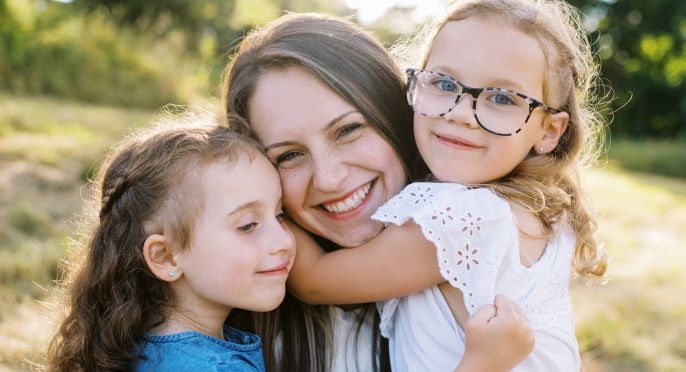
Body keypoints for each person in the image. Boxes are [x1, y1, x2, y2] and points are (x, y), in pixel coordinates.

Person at [280, 0, 609, 371]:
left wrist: (263, 204)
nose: (460, 113)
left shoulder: (465, 219)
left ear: (549, 130)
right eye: (444, 83)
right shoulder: (539, 212)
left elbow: (314, 282)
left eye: (502, 98)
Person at [223, 12, 534, 372]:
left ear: (400, 114)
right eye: (289, 155)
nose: (329, 178)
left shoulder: (488, 264)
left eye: (348, 130)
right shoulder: (243, 342)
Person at [45, 111, 295, 371]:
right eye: (248, 226)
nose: (284, 241)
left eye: (280, 215)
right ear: (165, 256)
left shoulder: (134, 345)